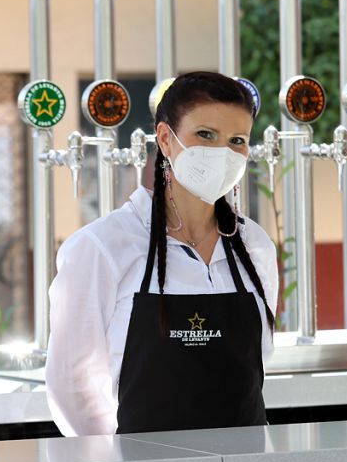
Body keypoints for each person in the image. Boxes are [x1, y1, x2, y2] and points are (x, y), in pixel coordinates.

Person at [45, 71, 278, 436]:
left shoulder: (254, 246)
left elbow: (258, 363)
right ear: (166, 139)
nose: (223, 152)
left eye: (237, 140)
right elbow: (72, 386)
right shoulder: (102, 248)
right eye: (205, 135)